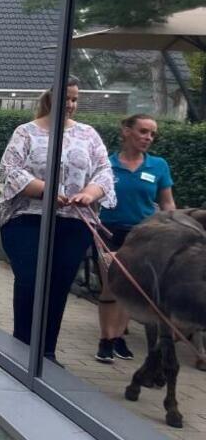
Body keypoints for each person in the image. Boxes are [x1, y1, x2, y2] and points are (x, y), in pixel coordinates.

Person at [0, 76, 116, 363]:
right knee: (30, 279)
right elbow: (9, 169)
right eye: (66, 98)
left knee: (59, 283)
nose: (71, 104)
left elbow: (104, 171)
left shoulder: (88, 135)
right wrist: (45, 190)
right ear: (50, 98)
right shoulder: (25, 132)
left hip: (72, 221)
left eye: (75, 99)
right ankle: (22, 346)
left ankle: (46, 352)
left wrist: (89, 192)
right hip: (28, 217)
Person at [94, 114, 175, 363]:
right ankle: (105, 340)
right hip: (109, 231)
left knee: (130, 288)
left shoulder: (158, 166)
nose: (148, 138)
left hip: (142, 235)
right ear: (127, 131)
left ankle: (118, 337)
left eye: (152, 134)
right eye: (143, 131)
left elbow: (166, 201)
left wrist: (173, 227)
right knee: (111, 285)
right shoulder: (106, 164)